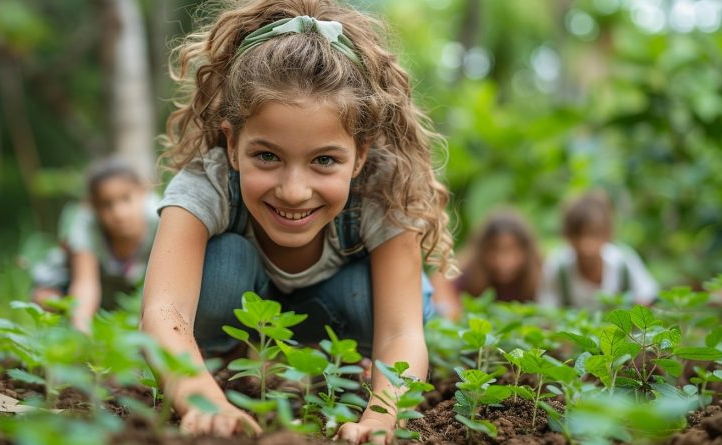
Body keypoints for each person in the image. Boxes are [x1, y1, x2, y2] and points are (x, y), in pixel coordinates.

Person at [139, 1, 453, 443]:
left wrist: (383, 416)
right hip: (245, 315)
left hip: (345, 315)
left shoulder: (382, 189)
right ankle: (224, 370)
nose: (293, 190)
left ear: (359, 155)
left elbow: (401, 330)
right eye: (267, 156)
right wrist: (197, 397)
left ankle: (353, 375)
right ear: (232, 145)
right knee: (224, 261)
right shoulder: (206, 183)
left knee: (371, 291)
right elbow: (162, 310)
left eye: (324, 160)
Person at [31, 158, 159, 332]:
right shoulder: (86, 224)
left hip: (126, 290)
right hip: (71, 280)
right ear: (92, 206)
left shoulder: (160, 218)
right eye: (107, 205)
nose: (118, 213)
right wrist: (82, 333)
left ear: (143, 191)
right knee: (45, 300)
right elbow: (85, 284)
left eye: (126, 199)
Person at [537, 190, 658, 310]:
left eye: (594, 234)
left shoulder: (623, 261)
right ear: (567, 235)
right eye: (578, 235)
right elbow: (547, 314)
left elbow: (648, 299)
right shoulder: (558, 267)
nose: (586, 245)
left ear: (607, 233)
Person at [431, 209, 541, 320]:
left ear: (526, 250)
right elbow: (440, 281)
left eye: (511, 250)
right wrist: (454, 314)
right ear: (482, 251)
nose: (502, 260)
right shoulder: (467, 269)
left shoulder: (541, 275)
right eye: (494, 250)